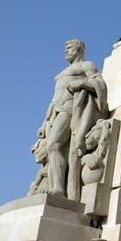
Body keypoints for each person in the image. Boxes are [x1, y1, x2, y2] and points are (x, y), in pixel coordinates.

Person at [32, 39, 107, 200]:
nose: (66, 51)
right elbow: (53, 99)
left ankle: (59, 189)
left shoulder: (86, 65)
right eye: (65, 48)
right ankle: (56, 186)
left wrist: (82, 83)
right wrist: (44, 122)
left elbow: (99, 83)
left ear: (79, 49)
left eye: (69, 48)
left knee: (54, 145)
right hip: (55, 112)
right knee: (54, 148)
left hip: (69, 109)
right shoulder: (62, 73)